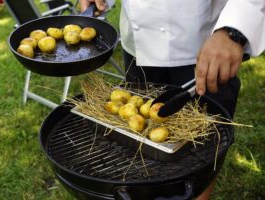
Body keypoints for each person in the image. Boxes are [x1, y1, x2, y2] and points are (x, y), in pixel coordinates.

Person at [80, 0, 265, 199]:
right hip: (139, 43)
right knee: (141, 150)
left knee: (204, 151)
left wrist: (233, 31)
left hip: (205, 43)